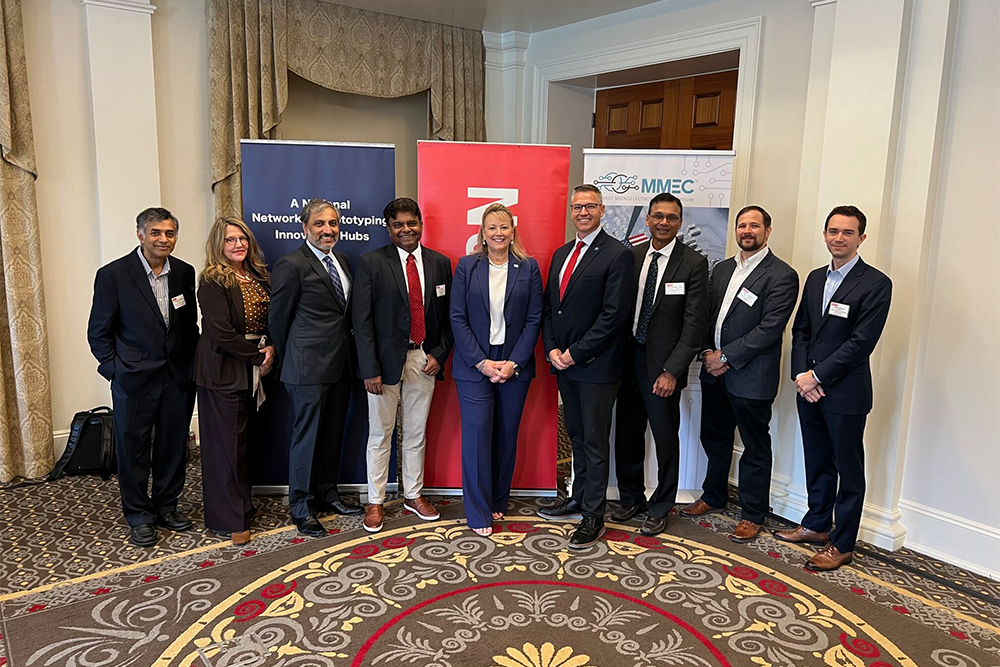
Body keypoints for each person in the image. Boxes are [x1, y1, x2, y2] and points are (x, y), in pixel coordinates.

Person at [776, 205, 892, 571]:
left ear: (861, 238)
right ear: (824, 234)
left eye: (847, 232)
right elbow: (801, 332)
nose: (838, 238)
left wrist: (818, 376)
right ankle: (816, 524)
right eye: (833, 231)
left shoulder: (876, 283)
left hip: (844, 392)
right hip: (808, 387)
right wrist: (800, 375)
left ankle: (842, 544)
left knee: (848, 469)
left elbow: (861, 343)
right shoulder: (813, 278)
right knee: (817, 460)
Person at [678, 205, 799, 544]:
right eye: (742, 225)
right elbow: (704, 314)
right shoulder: (723, 269)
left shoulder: (782, 275)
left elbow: (770, 329)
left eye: (754, 226)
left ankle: (752, 513)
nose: (748, 231)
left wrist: (726, 357)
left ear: (767, 231)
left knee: (754, 447)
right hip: (713, 372)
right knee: (714, 439)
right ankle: (713, 495)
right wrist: (706, 352)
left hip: (750, 376)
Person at [88, 207, 199, 547]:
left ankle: (167, 506)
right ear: (140, 234)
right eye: (155, 233)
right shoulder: (114, 275)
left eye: (169, 233)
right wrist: (115, 371)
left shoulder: (184, 272)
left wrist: (191, 365)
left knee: (172, 447)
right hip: (134, 379)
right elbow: (98, 332)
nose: (163, 239)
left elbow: (188, 325)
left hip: (177, 376)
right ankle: (138, 515)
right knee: (133, 450)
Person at [537, 184, 634, 549]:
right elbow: (550, 309)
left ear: (602, 210)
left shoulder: (617, 254)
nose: (582, 212)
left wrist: (575, 352)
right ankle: (578, 497)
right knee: (576, 435)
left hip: (595, 366)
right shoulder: (562, 253)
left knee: (594, 442)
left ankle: (594, 514)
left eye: (589, 206)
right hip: (563, 364)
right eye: (577, 206)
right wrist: (552, 349)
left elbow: (614, 316)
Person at [353, 197, 454, 533]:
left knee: (415, 431)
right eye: (399, 225)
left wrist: (439, 353)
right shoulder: (371, 263)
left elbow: (448, 317)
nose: (406, 229)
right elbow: (361, 320)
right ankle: (376, 501)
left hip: (423, 359)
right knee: (380, 434)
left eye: (412, 223)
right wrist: (369, 368)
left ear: (421, 224)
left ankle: (413, 493)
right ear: (389, 228)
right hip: (382, 365)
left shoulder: (440, 263)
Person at [611, 193, 710, 536]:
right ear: (647, 220)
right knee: (626, 434)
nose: (664, 222)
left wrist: (673, 370)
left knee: (666, 438)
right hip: (627, 360)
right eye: (658, 216)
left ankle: (661, 505)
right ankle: (631, 497)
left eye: (671, 217)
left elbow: (695, 325)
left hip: (664, 367)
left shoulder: (694, 263)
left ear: (680, 222)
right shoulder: (632, 256)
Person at [268, 199, 364, 538]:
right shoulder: (291, 264)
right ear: (305, 227)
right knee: (306, 439)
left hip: (340, 365)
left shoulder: (344, 260)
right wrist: (291, 355)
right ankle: (301, 507)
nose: (328, 230)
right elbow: (278, 320)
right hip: (306, 367)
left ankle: (327, 494)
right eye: (320, 224)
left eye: (333, 223)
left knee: (332, 434)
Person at [450, 203, 543, 536]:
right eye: (492, 227)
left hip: (514, 363)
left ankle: (497, 499)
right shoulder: (466, 266)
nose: (498, 233)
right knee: (477, 435)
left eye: (504, 227)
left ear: (513, 230)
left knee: (505, 434)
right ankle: (477, 513)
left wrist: (514, 362)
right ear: (482, 232)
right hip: (474, 363)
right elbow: (457, 317)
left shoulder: (528, 268)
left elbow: (534, 319)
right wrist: (482, 362)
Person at [194, 217, 275, 545]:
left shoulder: (256, 276)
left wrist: (269, 345)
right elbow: (221, 331)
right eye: (230, 240)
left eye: (242, 238)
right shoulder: (212, 280)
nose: (238, 244)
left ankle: (240, 504)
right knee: (224, 448)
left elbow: (268, 318)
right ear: (219, 245)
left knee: (242, 445)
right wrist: (257, 356)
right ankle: (227, 518)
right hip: (222, 371)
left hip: (248, 368)